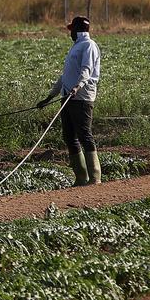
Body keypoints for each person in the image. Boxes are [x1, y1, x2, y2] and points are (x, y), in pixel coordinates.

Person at [37, 15, 101, 186]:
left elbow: (86, 70)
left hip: (81, 97)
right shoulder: (76, 47)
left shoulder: (89, 46)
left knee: (84, 135)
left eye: (71, 30)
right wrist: (50, 96)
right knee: (69, 136)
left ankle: (95, 178)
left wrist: (77, 87)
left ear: (77, 30)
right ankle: (81, 177)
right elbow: (64, 77)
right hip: (67, 97)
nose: (70, 33)